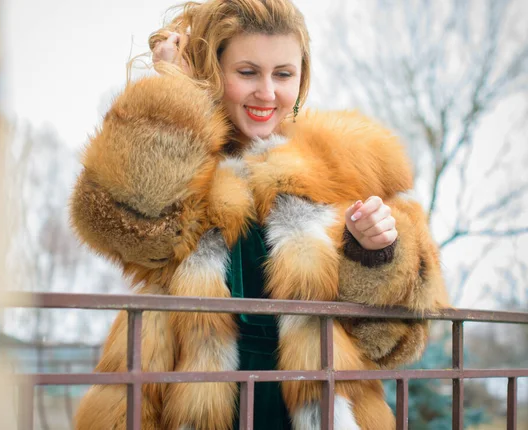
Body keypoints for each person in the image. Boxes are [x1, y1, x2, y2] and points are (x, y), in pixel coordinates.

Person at [70, 1, 449, 429]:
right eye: (247, 72)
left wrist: (377, 253)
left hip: (316, 409)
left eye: (283, 74)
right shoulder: (185, 166)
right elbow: (125, 228)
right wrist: (169, 97)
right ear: (214, 71)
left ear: (302, 78)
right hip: (185, 404)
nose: (267, 93)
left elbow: (396, 342)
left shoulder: (349, 165)